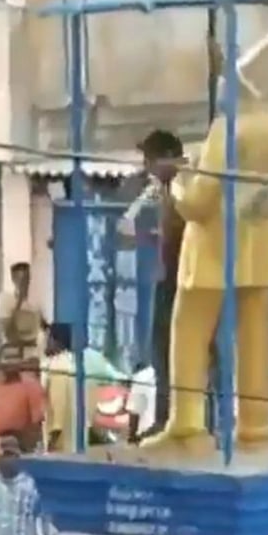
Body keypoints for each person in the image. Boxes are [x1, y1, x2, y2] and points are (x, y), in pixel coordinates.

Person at [118, 130, 187, 439]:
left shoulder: (183, 188)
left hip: (179, 280)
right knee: (162, 353)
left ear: (166, 158)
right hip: (171, 277)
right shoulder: (165, 189)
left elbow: (177, 237)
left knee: (168, 351)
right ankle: (165, 416)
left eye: (149, 159)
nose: (146, 166)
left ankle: (169, 417)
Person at [42, 323, 129, 453]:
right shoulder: (88, 359)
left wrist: (55, 433)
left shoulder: (56, 366)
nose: (46, 343)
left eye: (48, 339)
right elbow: (119, 377)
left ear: (56, 341)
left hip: (61, 438)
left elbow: (58, 403)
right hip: (82, 432)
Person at [0, 347, 44, 472]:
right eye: (7, 359)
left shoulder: (31, 385)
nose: (10, 364)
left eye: (14, 359)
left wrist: (30, 453)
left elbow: (36, 425)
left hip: (18, 455)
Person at [0, 262, 48, 368]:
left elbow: (45, 329)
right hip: (12, 355)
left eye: (27, 278)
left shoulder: (34, 304)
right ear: (13, 279)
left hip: (33, 355)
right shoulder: (5, 300)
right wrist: (18, 302)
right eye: (21, 279)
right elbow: (7, 331)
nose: (25, 283)